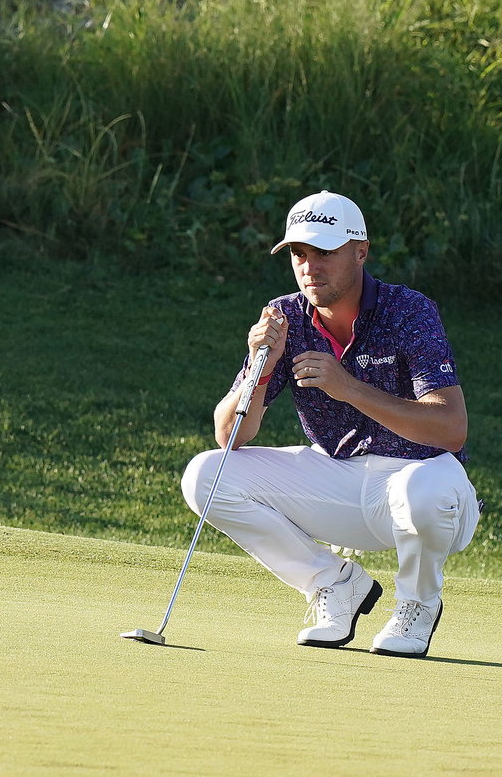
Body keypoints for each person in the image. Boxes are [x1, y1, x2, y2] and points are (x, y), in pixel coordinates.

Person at [181, 190, 479, 657]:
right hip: (339, 482)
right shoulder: (283, 317)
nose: (309, 266)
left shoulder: (409, 311)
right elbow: (230, 435)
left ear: (361, 251)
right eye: (299, 253)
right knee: (206, 474)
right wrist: (260, 368)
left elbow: (450, 428)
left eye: (324, 252)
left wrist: (348, 387)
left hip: (425, 483)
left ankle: (418, 605)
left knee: (424, 492)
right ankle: (335, 584)